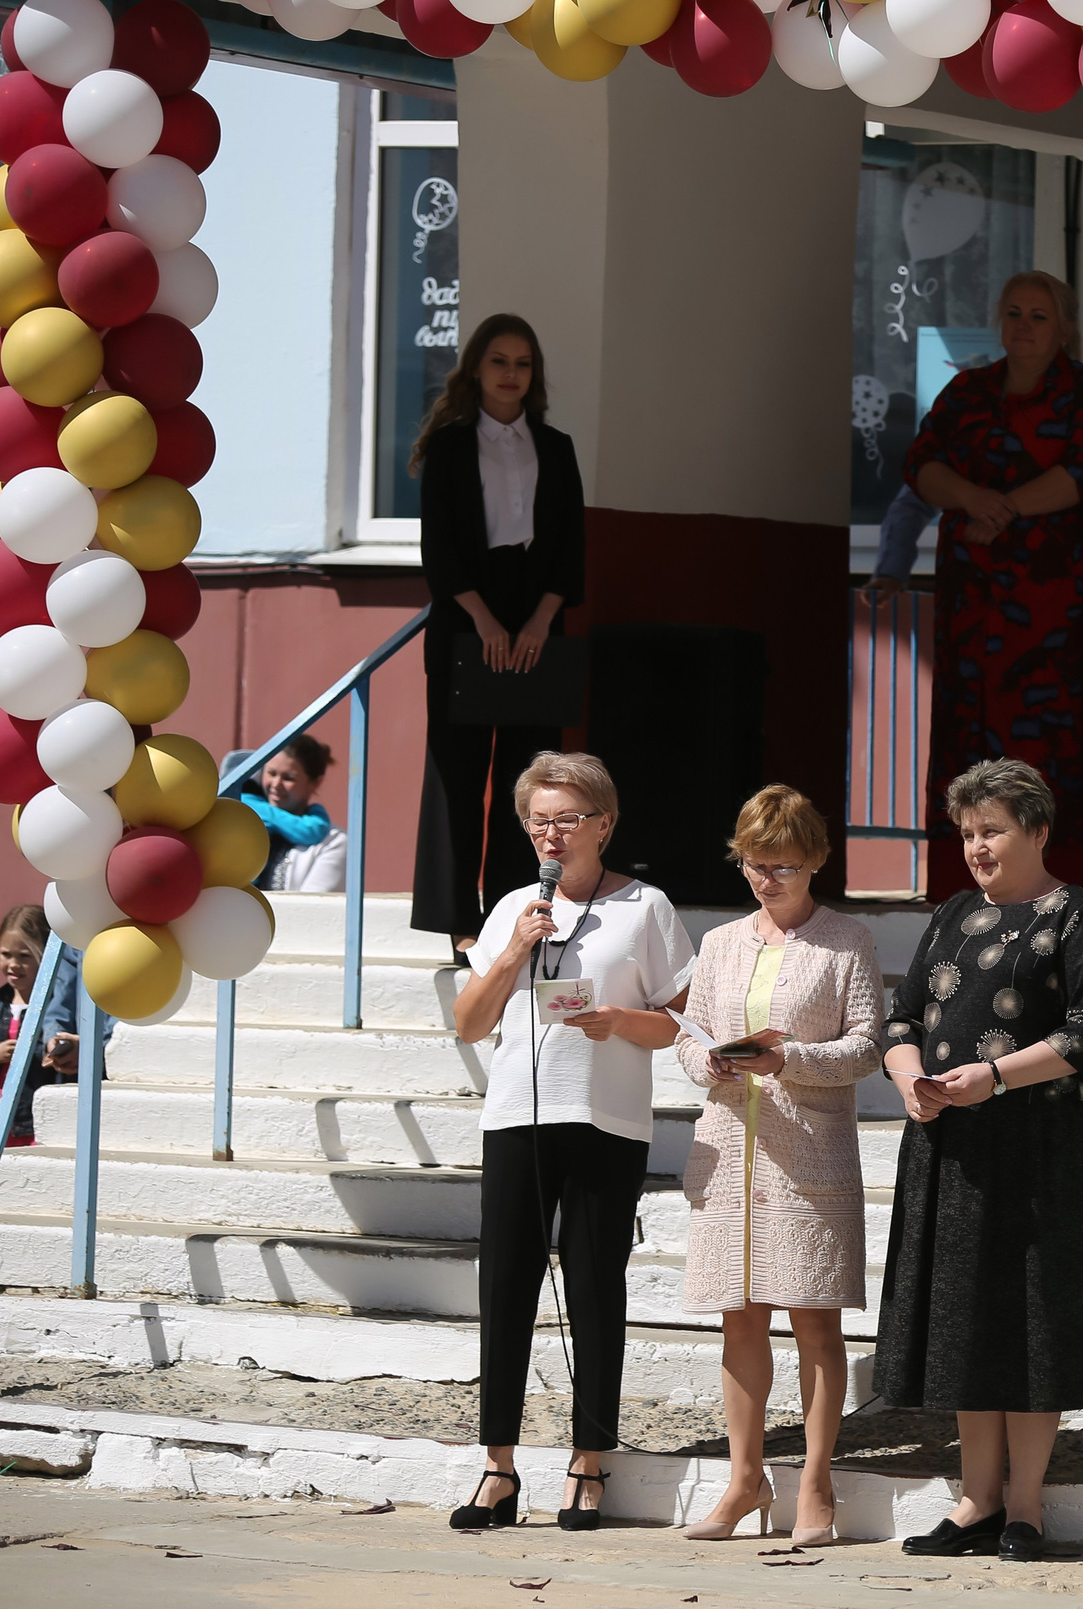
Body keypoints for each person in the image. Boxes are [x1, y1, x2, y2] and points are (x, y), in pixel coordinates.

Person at [875, 759, 1083, 1562]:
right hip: (950, 1145)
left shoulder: (1073, 913)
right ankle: (976, 1500)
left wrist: (994, 1076)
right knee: (963, 1320)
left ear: (1038, 830)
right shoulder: (951, 911)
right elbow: (901, 1016)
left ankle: (1025, 1506)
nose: (978, 847)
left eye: (995, 830)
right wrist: (910, 1077)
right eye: (968, 832)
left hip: (1037, 1149)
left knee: (1030, 1320)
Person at [446, 752, 695, 1534]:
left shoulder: (645, 906)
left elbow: (683, 1021)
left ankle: (589, 1463)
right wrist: (517, 947)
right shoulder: (515, 906)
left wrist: (618, 1021)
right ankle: (499, 1465)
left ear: (604, 824)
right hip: (516, 1114)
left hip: (604, 1119)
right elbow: (470, 1022)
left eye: (566, 819)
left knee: (594, 1290)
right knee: (506, 1291)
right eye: (538, 821)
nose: (551, 834)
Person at [675, 786, 884, 1546]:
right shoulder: (721, 942)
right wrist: (711, 1062)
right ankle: (743, 1478)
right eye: (756, 865)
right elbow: (688, 1037)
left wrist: (787, 1056)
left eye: (785, 867)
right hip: (731, 1150)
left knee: (816, 1322)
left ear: (816, 861)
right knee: (739, 1319)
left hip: (809, 1154)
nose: (768, 880)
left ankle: (817, 1482)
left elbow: (866, 1045)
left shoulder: (847, 940)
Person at [894, 272, 1083, 902]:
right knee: (967, 753)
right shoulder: (967, 391)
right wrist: (974, 497)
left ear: (1065, 328)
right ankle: (957, 891)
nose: (1024, 326)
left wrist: (1002, 509)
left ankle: (1061, 894)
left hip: (1060, 617)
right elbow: (921, 463)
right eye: (1014, 313)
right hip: (974, 614)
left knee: (1060, 755)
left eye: (1039, 316)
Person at [409, 313, 587, 956]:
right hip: (465, 621)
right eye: (499, 362)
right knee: (459, 776)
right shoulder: (451, 446)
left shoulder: (557, 445)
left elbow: (570, 546)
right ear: (476, 369)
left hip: (538, 621)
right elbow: (441, 546)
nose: (511, 375)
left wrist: (539, 620)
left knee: (533, 781)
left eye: (523, 364)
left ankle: (522, 914)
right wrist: (483, 619)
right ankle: (459, 921)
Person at [0, 905, 79, 1147]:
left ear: (46, 957)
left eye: (24, 956)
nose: (13, 964)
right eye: (6, 954)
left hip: (29, 1132)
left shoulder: (57, 1018)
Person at [243, 734, 349, 894]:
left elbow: (312, 906)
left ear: (315, 782)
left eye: (288, 778)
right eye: (271, 773)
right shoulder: (243, 813)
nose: (276, 785)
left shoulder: (333, 841)